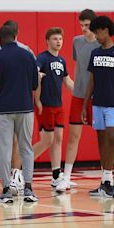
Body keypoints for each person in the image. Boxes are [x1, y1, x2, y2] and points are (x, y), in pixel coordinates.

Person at [0, 26, 38, 203]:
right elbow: (34, 84)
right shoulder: (28, 55)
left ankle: (7, 190)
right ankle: (29, 189)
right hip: (25, 107)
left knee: (4, 150)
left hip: (3, 109)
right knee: (26, 147)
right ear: (15, 37)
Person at [58, 9, 99, 192]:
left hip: (98, 97)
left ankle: (108, 177)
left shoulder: (103, 44)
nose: (83, 28)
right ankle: (66, 177)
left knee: (106, 139)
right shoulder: (76, 41)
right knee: (73, 137)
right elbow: (79, 66)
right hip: (79, 95)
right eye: (81, 25)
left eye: (87, 25)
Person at [32, 27, 74, 191]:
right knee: (47, 140)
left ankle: (56, 175)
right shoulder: (41, 58)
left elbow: (68, 81)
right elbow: (35, 77)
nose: (58, 42)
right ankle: (21, 168)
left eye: (60, 39)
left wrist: (83, 94)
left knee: (58, 139)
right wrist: (37, 101)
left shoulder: (62, 61)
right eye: (55, 39)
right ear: (48, 40)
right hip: (45, 105)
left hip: (58, 105)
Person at [83, 15, 114, 197]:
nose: (95, 35)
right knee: (102, 140)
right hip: (98, 103)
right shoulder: (95, 53)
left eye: (97, 31)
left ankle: (109, 178)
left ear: (106, 30)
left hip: (112, 104)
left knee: (111, 137)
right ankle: (105, 180)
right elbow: (91, 80)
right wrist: (85, 103)